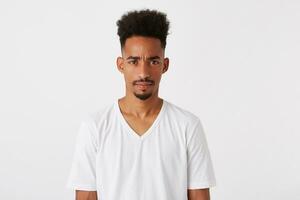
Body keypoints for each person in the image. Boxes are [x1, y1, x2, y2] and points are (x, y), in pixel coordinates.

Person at [66, 9, 216, 200]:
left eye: (153, 61)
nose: (143, 72)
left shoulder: (187, 126)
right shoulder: (95, 126)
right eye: (134, 61)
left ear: (165, 65)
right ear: (121, 65)